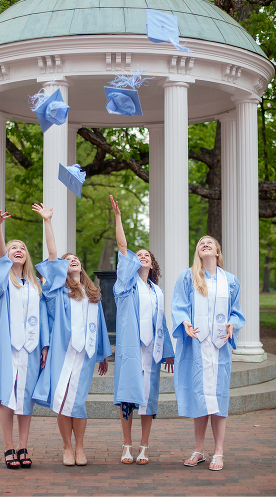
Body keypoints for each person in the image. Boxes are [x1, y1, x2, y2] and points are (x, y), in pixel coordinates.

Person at [31, 203, 111, 467]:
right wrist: (47, 222)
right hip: (63, 354)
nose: (71, 260)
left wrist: (103, 355)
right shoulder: (57, 291)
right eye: (67, 261)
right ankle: (67, 447)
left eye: (74, 258)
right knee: (63, 401)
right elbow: (53, 254)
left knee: (78, 402)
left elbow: (98, 328)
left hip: (86, 356)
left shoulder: (93, 294)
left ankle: (80, 447)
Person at [0, 207, 49, 469]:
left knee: (26, 398)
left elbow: (42, 318)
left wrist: (44, 346)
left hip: (31, 349)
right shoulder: (3, 283)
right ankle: (8, 447)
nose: (18, 250)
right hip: (9, 349)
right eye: (13, 248)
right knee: (7, 397)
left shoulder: (35, 285)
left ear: (27, 256)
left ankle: (23, 446)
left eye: (22, 247)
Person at [110, 195, 174, 465]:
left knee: (148, 401)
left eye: (146, 255)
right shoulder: (126, 285)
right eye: (139, 255)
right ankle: (126, 445)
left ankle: (144, 446)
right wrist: (118, 218)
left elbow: (162, 323)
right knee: (128, 398)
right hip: (132, 350)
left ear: (152, 263)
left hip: (152, 352)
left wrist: (168, 351)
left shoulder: (157, 291)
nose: (142, 256)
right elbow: (123, 246)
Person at [172, 236, 245, 472]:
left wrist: (233, 324)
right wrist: (184, 322)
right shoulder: (188, 276)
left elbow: (236, 311)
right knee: (199, 397)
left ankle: (219, 451)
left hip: (219, 347)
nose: (204, 244)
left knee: (219, 398)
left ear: (217, 251)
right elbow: (179, 304)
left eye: (209, 243)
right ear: (198, 252)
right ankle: (199, 450)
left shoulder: (230, 281)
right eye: (201, 243)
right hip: (197, 346)